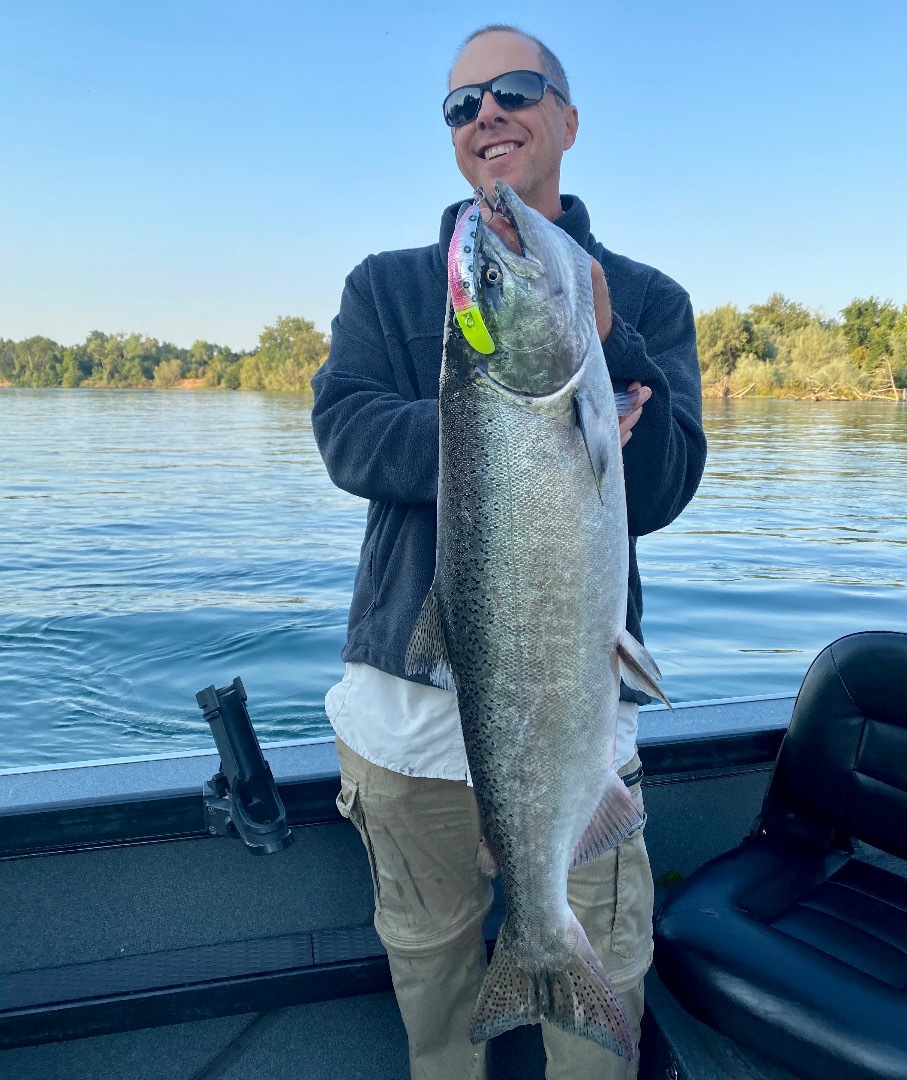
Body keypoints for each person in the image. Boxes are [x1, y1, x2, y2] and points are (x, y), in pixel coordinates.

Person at [311, 24, 706, 1080]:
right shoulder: (386, 286)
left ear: (566, 119)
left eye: (515, 90)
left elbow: (661, 490)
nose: (485, 112)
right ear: (452, 138)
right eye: (460, 103)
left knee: (597, 1000)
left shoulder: (652, 301)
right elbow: (346, 435)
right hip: (403, 731)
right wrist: (498, 421)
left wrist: (608, 343)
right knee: (432, 989)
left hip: (580, 738)